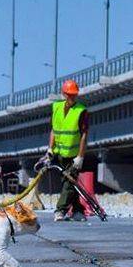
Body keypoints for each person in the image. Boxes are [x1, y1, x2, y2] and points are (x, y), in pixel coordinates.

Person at [47, 79, 89, 222]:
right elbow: (54, 129)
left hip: (74, 156)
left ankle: (60, 210)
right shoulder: (56, 108)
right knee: (71, 183)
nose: (72, 97)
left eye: (74, 95)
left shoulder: (81, 111)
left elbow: (84, 135)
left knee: (68, 182)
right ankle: (78, 211)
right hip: (60, 154)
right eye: (69, 94)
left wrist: (80, 157)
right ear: (63, 94)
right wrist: (50, 149)